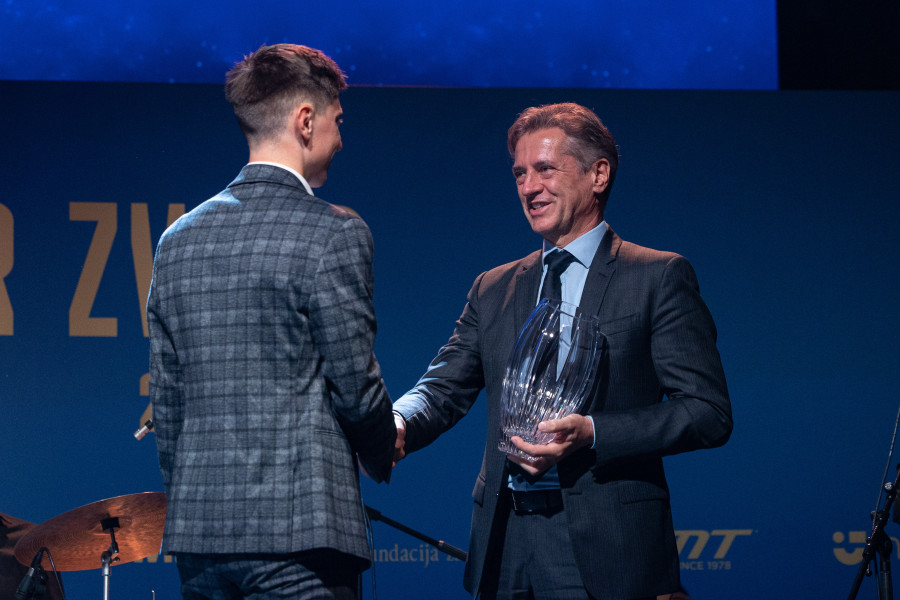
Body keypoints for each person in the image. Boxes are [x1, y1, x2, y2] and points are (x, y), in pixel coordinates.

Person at [392, 103, 732, 600]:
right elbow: (442, 386)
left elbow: (707, 412)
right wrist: (396, 422)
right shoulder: (494, 287)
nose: (529, 187)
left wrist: (593, 432)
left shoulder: (657, 277)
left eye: (545, 169)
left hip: (607, 550)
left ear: (598, 175)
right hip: (505, 544)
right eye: (519, 174)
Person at [148, 43, 396, 599]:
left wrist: (195, 502)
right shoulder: (332, 232)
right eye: (337, 120)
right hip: (300, 544)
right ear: (305, 120)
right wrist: (384, 448)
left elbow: (169, 406)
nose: (340, 137)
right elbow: (355, 387)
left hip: (202, 543)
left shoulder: (177, 241)